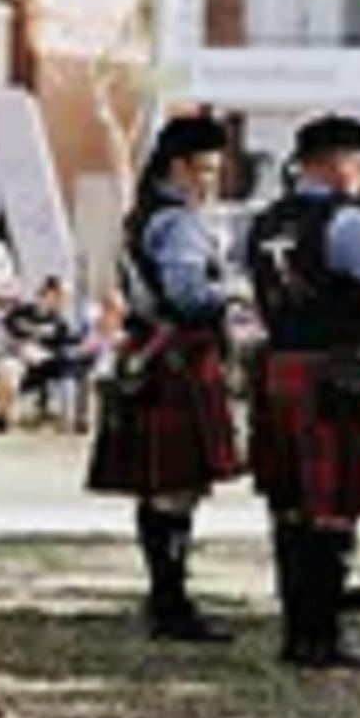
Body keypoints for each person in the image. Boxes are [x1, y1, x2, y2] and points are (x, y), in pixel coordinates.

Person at [245, 114, 360, 668]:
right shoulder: (350, 223)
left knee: (291, 505)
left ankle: (298, 630)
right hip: (339, 373)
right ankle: (325, 634)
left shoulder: (266, 220)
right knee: (334, 507)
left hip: (283, 368)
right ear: (341, 163)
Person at [85, 116, 241, 643]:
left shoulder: (143, 214)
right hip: (180, 357)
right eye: (205, 169)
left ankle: (165, 596)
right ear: (178, 165)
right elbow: (187, 294)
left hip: (153, 353)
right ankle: (170, 603)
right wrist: (235, 294)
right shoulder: (181, 223)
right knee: (175, 489)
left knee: (161, 490)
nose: (210, 181)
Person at [3, 276, 87, 427]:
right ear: (50, 294)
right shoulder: (23, 311)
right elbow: (9, 326)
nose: (64, 302)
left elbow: (66, 341)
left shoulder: (59, 322)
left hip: (42, 366)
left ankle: (67, 416)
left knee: (71, 365)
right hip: (17, 359)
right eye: (62, 298)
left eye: (66, 299)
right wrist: (30, 334)